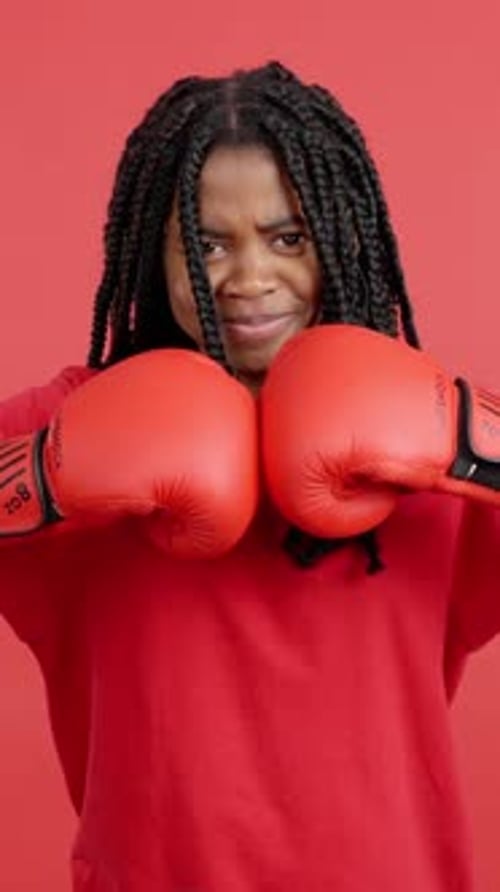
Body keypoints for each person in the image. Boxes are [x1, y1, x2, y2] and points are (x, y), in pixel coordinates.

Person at [0, 60, 499, 892]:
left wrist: (469, 438)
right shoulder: (65, 426)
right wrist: (43, 484)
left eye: (288, 237)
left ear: (342, 236)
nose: (248, 279)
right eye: (205, 242)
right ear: (153, 246)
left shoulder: (430, 438)